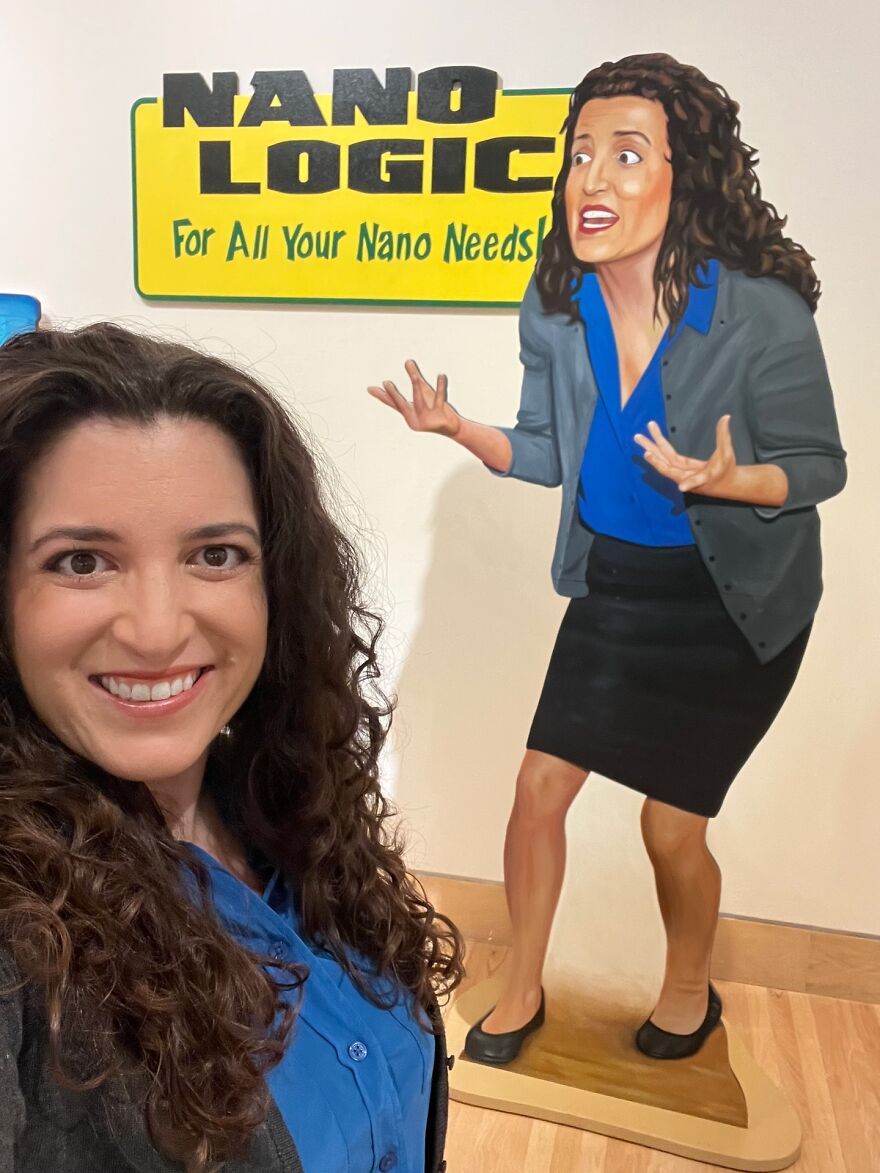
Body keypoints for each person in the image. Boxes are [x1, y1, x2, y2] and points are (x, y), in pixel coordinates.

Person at [368, 52, 846, 1065]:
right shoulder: (556, 309)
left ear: (688, 175)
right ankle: (522, 983)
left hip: (733, 604)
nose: (592, 178)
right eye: (580, 153)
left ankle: (689, 991)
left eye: (626, 154)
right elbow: (545, 453)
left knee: (671, 830)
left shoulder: (756, 309)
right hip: (619, 588)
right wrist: (458, 429)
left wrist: (729, 479)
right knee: (537, 789)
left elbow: (815, 469)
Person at [0, 321, 463, 1173]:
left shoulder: (288, 808)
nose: (157, 628)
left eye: (215, 554)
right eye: (80, 561)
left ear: (274, 583)